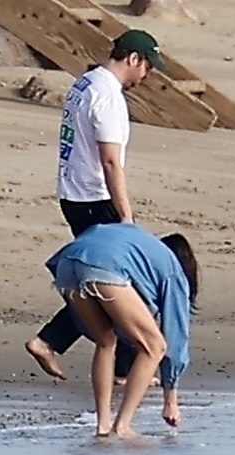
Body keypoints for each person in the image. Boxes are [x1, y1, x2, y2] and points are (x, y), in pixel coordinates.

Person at [25, 29, 167, 382]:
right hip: (94, 197)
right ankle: (63, 345)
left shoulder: (85, 83)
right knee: (118, 283)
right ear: (133, 59)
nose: (146, 76)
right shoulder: (107, 97)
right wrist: (126, 216)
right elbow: (110, 162)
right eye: (147, 67)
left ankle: (73, 348)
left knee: (100, 281)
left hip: (73, 193)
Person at [43, 222, 200, 438]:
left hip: (68, 262)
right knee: (154, 347)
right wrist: (170, 400)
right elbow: (176, 337)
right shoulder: (174, 273)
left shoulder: (141, 250)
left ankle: (103, 426)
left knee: (105, 341)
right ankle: (122, 426)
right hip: (103, 265)